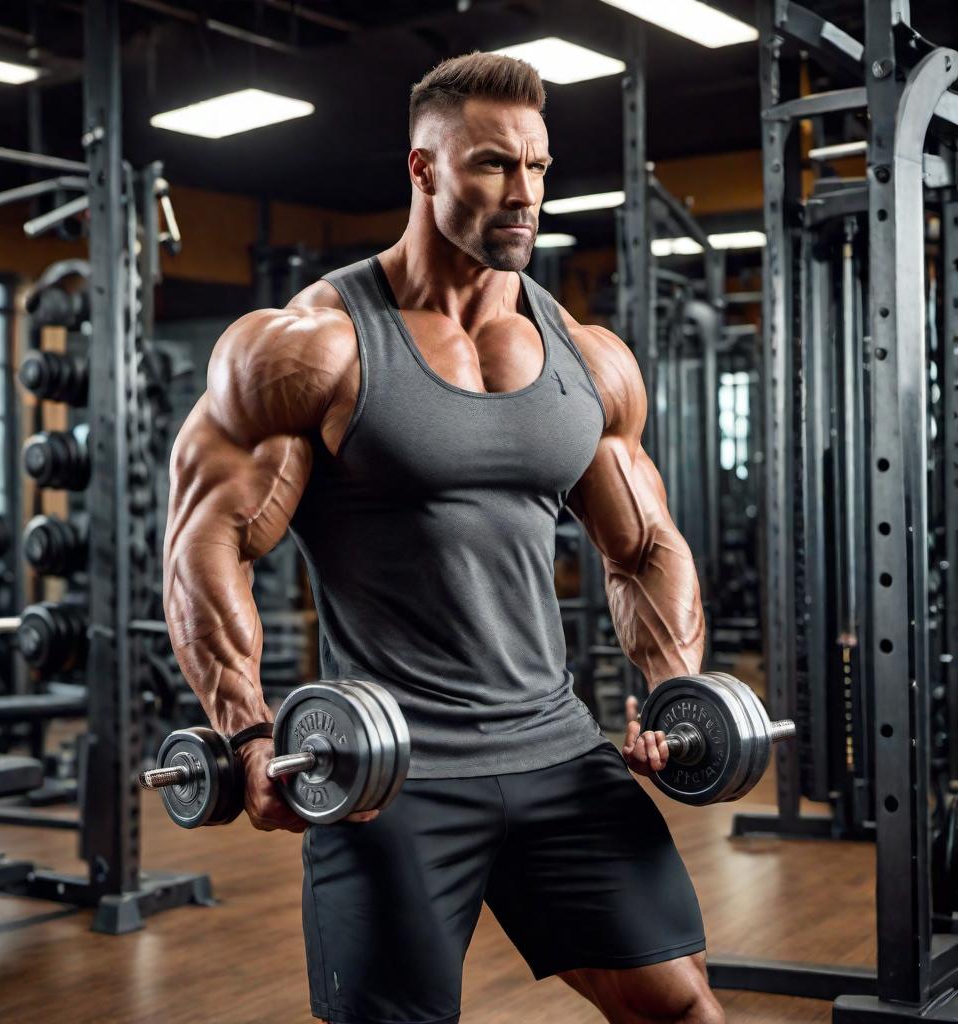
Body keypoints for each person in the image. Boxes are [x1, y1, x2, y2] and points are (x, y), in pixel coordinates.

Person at [163, 51, 724, 1024]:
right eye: (494, 165)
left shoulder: (588, 358)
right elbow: (205, 540)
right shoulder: (315, 346)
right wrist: (247, 730)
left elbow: (642, 546)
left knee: (679, 1005)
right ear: (423, 169)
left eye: (539, 167)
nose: (525, 193)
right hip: (392, 783)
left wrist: (670, 691)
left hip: (561, 754)